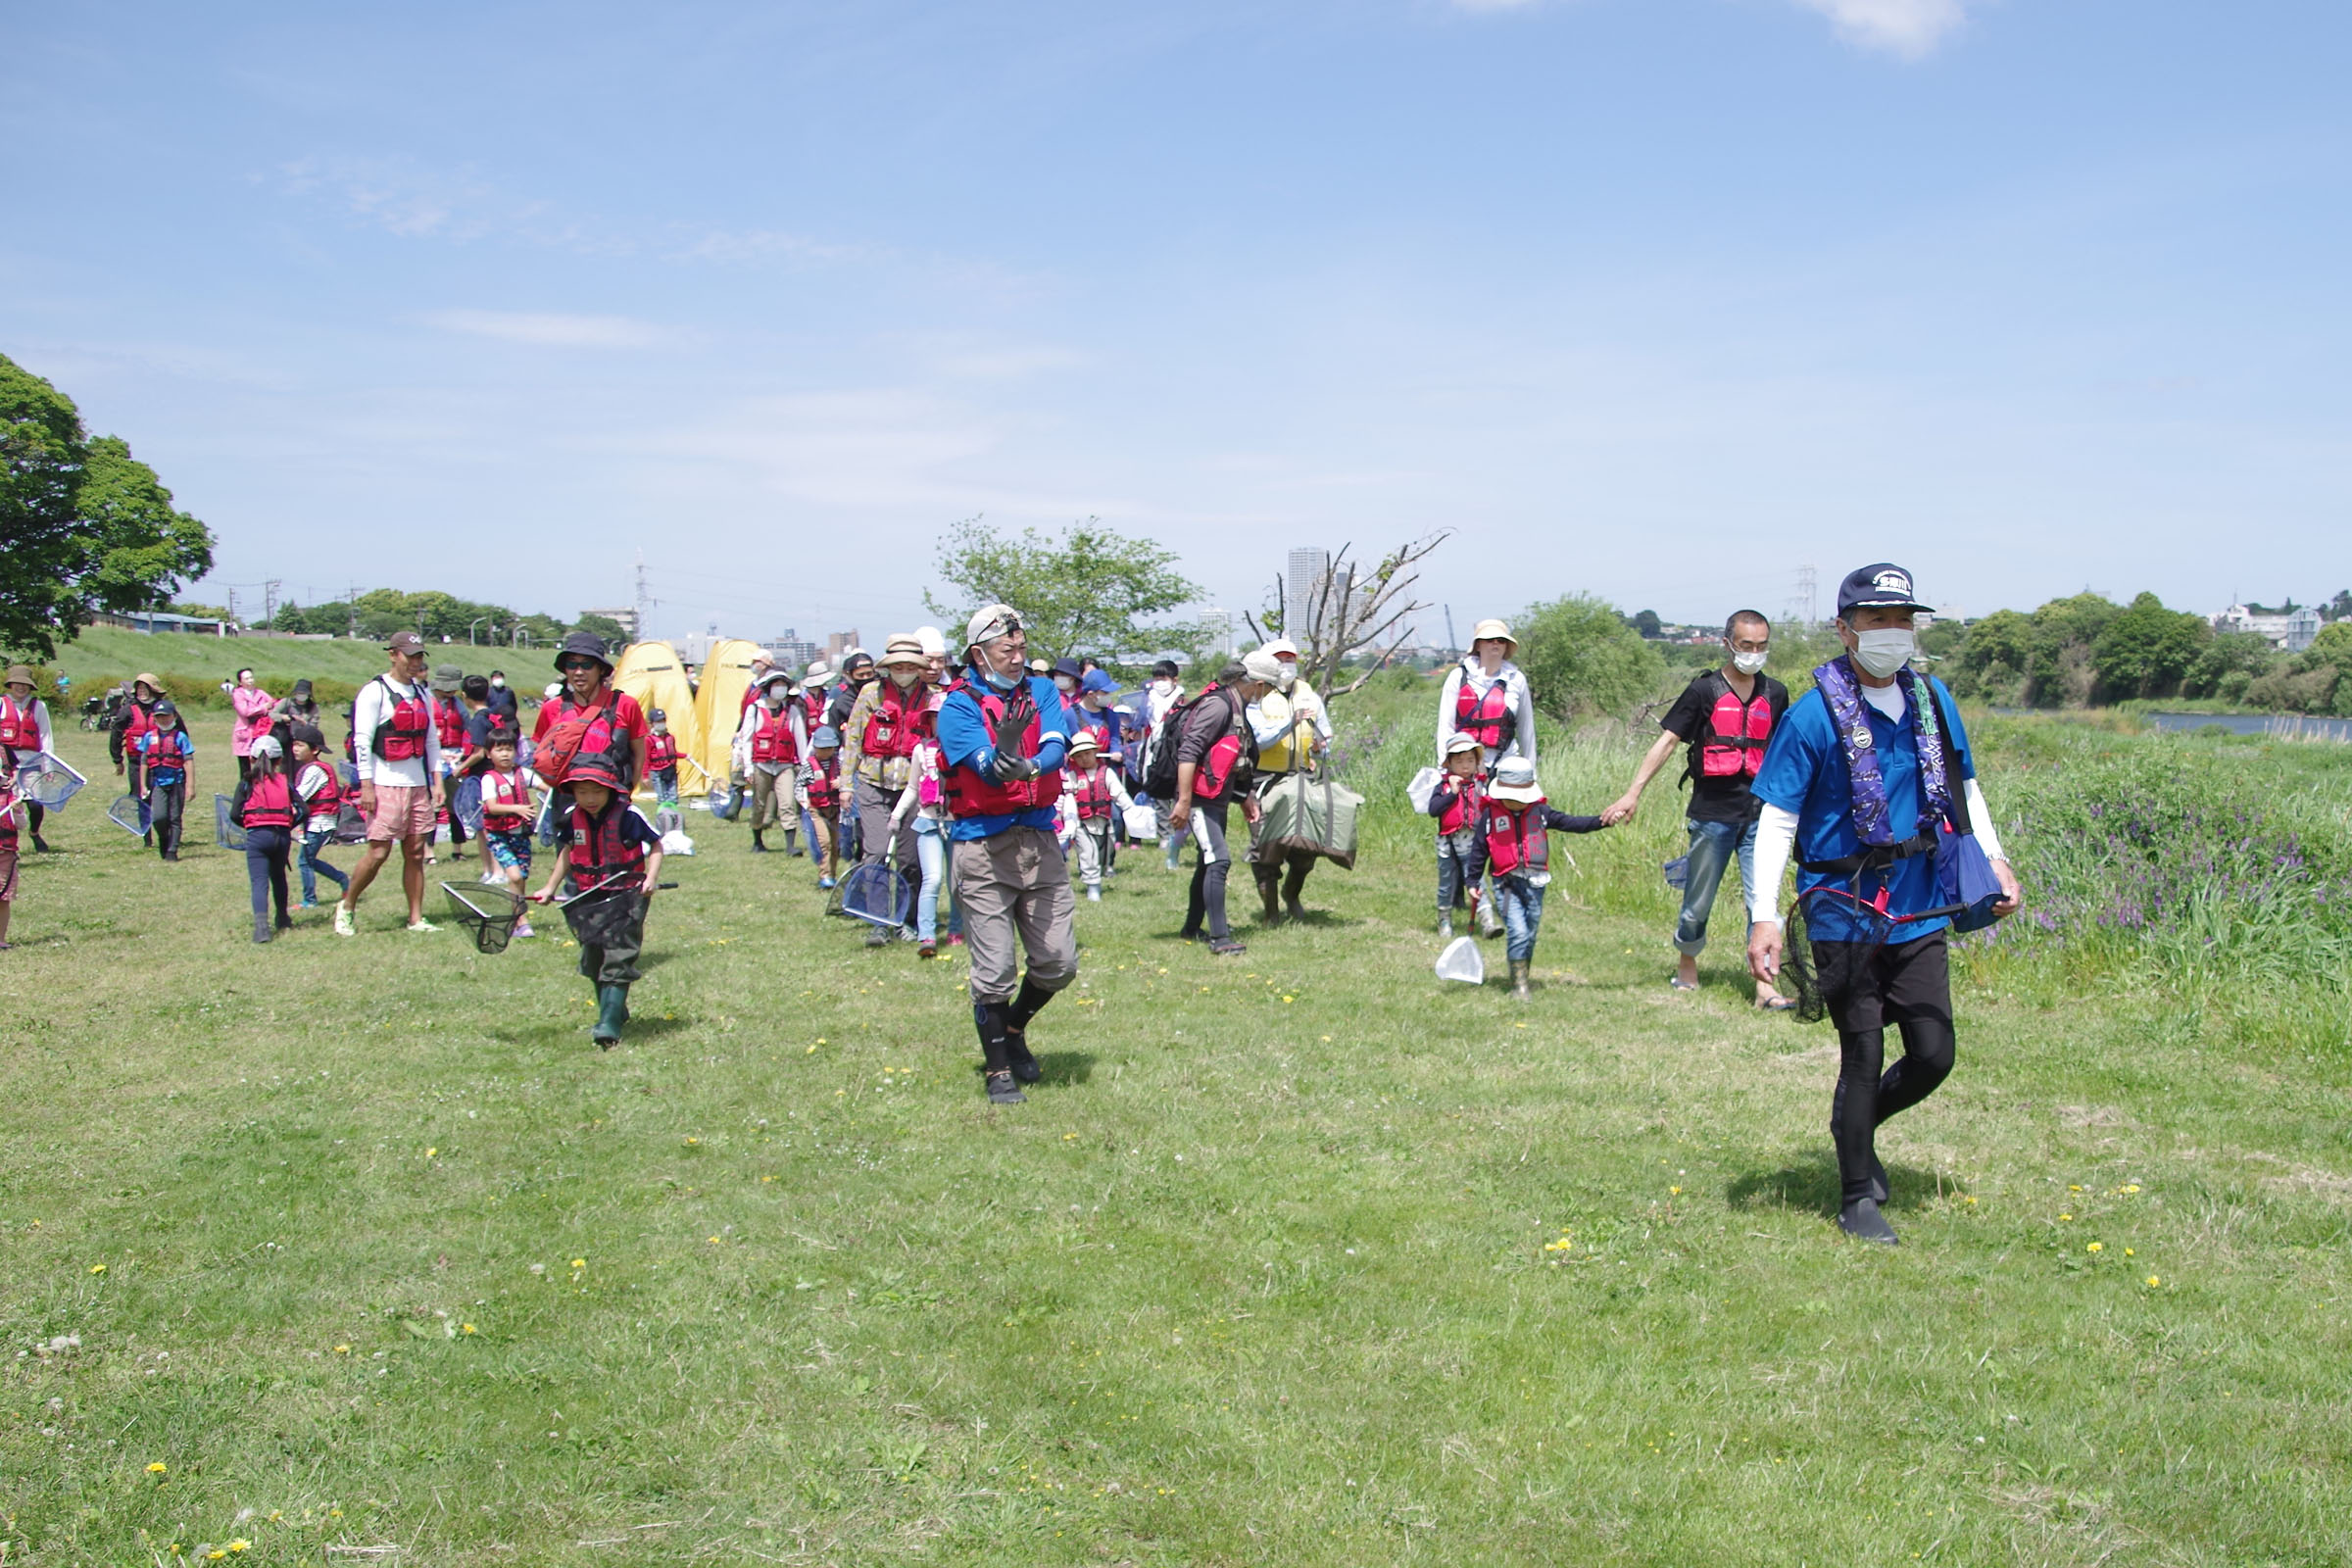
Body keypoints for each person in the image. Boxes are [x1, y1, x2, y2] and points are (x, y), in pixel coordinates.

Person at [1745, 564, 2023, 1246]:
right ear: (1845, 629)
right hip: (1842, 907)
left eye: (1902, 620)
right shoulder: (1812, 714)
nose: (1892, 633)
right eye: (1876, 620)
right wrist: (1765, 914)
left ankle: (1855, 1129)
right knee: (1862, 1054)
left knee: (1934, 1052)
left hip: (1920, 903)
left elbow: (1966, 787)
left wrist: (1994, 857)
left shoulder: (1932, 699)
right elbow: (1777, 818)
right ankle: (1854, 1198)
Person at [1602, 611, 1792, 1006]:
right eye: (1746, 646)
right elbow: (1668, 742)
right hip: (1712, 813)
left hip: (1761, 815)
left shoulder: (1776, 693)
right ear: (1728, 644)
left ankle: (1764, 985)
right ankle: (1687, 961)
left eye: (1761, 647)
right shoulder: (1704, 690)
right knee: (1698, 899)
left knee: (1764, 902)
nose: (1754, 654)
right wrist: (1632, 792)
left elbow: (1785, 754)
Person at [936, 604, 1077, 1103]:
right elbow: (986, 769)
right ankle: (998, 1071)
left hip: (1039, 840)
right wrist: (1006, 751)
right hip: (982, 846)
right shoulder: (957, 707)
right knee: (994, 969)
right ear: (979, 654)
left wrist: (1031, 764)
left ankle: (1014, 1030)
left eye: (1021, 649)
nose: (1017, 658)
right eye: (1005, 650)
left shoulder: (1040, 690)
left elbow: (1059, 743)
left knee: (1059, 962)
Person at [530, 754, 662, 1049]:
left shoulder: (629, 816)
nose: (589, 798)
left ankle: (609, 1025)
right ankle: (614, 1007)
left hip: (626, 897)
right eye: (582, 792)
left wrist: (650, 878)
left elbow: (655, 845)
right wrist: (550, 886)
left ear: (610, 789)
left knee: (619, 955)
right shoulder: (571, 818)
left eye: (596, 791)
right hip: (587, 897)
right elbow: (567, 852)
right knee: (592, 959)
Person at [1168, 655, 1277, 956]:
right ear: (1257, 684)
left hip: (1216, 798)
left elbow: (1235, 758)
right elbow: (1189, 752)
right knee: (1219, 860)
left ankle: (1191, 928)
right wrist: (1185, 801)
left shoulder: (1236, 705)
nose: (1266, 696)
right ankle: (1221, 938)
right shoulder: (1218, 705)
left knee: (1208, 861)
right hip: (1200, 799)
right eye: (1267, 689)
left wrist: (1244, 798)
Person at [339, 631, 444, 935]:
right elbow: (362, 741)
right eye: (410, 655)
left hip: (417, 784)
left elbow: (432, 742)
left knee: (415, 851)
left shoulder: (423, 694)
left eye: (420, 656)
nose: (415, 662)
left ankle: (415, 917)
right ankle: (347, 906)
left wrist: (436, 781)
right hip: (385, 781)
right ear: (393, 655)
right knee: (378, 853)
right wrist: (366, 784)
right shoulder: (375, 692)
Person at [1481, 756, 1610, 1001]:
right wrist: (1472, 883)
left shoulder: (1541, 813)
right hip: (1505, 885)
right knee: (1517, 931)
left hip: (1535, 886)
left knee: (1530, 934)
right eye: (1511, 797)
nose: (1516, 803)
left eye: (1521, 798)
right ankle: (1519, 987)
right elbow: (1479, 851)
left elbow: (1573, 823)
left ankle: (1522, 974)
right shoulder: (1490, 817)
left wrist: (1601, 821)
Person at [842, 636, 931, 946]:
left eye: (910, 665)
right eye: (898, 666)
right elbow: (852, 739)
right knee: (876, 853)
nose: (904, 670)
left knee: (911, 859)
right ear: (888, 667)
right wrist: (845, 784)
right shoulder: (871, 694)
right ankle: (879, 921)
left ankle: (909, 920)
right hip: (872, 784)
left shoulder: (932, 698)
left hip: (914, 789)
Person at [1246, 637, 1334, 925]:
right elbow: (1259, 738)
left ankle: (1292, 894)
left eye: (1290, 659)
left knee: (1306, 847)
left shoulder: (1309, 695)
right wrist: (1290, 723)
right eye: (1279, 659)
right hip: (1264, 780)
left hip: (1301, 778)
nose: (1286, 664)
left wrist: (1322, 747)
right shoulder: (1255, 696)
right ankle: (1271, 913)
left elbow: (1326, 736)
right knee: (1266, 848)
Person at [533, 632, 649, 790]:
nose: (579, 672)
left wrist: (626, 793)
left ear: (601, 669)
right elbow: (542, 754)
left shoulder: (626, 705)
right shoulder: (551, 708)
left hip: (613, 798)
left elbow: (639, 754)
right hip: (567, 801)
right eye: (572, 665)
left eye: (587, 665)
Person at [891, 706, 957, 955]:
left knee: (956, 882)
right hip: (928, 822)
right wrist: (896, 816)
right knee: (933, 879)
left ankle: (956, 929)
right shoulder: (921, 750)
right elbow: (912, 788)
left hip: (957, 823)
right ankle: (926, 935)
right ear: (930, 720)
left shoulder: (964, 747)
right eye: (936, 717)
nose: (942, 722)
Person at [1436, 619, 1538, 770]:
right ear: (1478, 645)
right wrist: (1444, 769)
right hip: (1465, 767)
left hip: (1506, 764)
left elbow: (1526, 729)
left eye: (1501, 641)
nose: (1495, 644)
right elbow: (1446, 727)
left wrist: (1531, 771)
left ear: (1506, 646)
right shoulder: (1458, 677)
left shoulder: (1516, 679)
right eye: (1489, 640)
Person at [229, 735, 297, 943]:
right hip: (281, 836)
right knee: (279, 877)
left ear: (251, 759)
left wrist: (249, 825)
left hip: (257, 837)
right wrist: (288, 825)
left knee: (259, 881)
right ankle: (283, 918)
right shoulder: (286, 782)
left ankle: (261, 928)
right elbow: (302, 810)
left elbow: (234, 814)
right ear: (279, 760)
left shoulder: (246, 783)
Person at [476, 725, 541, 940]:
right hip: (499, 837)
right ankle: (521, 920)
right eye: (499, 749)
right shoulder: (489, 779)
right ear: (488, 753)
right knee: (513, 875)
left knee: (521, 878)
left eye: (509, 749)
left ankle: (515, 920)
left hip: (521, 835)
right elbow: (492, 806)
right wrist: (517, 808)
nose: (505, 754)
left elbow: (546, 786)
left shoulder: (524, 774)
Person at [733, 671, 806, 855]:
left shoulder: (792, 711)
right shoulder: (755, 710)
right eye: (776, 684)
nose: (780, 688)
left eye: (783, 685)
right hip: (761, 765)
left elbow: (800, 739)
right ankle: (757, 841)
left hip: (784, 765)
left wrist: (805, 766)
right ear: (768, 688)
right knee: (759, 804)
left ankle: (790, 845)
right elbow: (747, 738)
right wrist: (748, 767)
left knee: (787, 803)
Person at [1056, 729, 1132, 903]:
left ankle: (1107, 869)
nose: (1084, 758)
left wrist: (1130, 810)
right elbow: (1068, 801)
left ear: (1096, 752)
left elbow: (1119, 793)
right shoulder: (1072, 777)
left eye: (1088, 753)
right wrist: (1070, 824)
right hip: (1082, 823)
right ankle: (1093, 887)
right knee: (1087, 853)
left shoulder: (1106, 773)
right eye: (1079, 755)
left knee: (1107, 852)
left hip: (1104, 821)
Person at [1426, 733, 1487, 939]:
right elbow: (1433, 810)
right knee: (1446, 884)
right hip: (1447, 844)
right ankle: (1444, 920)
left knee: (1477, 881)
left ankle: (1487, 920)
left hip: (1473, 843)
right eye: (1459, 761)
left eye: (1470, 760)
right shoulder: (1442, 787)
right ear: (1449, 763)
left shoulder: (1481, 786)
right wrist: (1452, 794)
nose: (1465, 766)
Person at [288, 724, 350, 909]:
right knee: (310, 860)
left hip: (320, 823)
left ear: (314, 749)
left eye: (300, 745)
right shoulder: (310, 768)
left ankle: (310, 900)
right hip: (317, 822)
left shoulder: (315, 770)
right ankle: (343, 880)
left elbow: (299, 797)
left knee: (304, 861)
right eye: (294, 744)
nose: (295, 749)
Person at [0, 666, 56, 853]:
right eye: (17, 684)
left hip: (31, 760)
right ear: (11, 684)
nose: (21, 688)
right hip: (5, 762)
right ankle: (8, 842)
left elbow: (46, 737)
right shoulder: (1, 704)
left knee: (35, 803)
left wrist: (47, 765)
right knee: (7, 803)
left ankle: (34, 832)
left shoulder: (39, 706)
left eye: (25, 685)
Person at [138, 699, 195, 861]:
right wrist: (142, 784)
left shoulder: (180, 737)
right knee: (159, 817)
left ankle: (172, 850)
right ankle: (164, 838)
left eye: (167, 716)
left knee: (175, 817)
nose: (164, 720)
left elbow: (188, 761)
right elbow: (144, 762)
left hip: (177, 782)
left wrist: (190, 786)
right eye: (160, 717)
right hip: (158, 783)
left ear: (174, 716)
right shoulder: (149, 737)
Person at [112, 672, 165, 844]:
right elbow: (116, 733)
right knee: (141, 797)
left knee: (161, 797)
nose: (142, 692)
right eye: (139, 688)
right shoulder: (128, 710)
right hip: (136, 762)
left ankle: (165, 833)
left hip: (160, 762)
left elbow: (179, 732)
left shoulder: (163, 708)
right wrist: (117, 759)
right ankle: (146, 837)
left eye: (146, 688)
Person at [799, 726, 844, 890]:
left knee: (835, 844)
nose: (825, 752)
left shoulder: (838, 763)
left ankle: (832, 874)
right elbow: (799, 785)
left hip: (834, 809)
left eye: (829, 749)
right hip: (816, 809)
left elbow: (848, 778)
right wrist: (803, 803)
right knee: (824, 842)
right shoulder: (808, 765)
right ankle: (824, 874)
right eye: (822, 749)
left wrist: (842, 782)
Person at [230, 668, 275, 784]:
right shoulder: (237, 694)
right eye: (247, 678)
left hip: (260, 731)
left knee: (262, 763)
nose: (250, 681)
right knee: (245, 767)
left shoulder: (260, 693)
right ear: (240, 682)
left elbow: (273, 703)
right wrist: (263, 707)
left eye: (251, 677)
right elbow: (245, 712)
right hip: (244, 733)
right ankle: (245, 792)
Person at [268, 678, 321, 762]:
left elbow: (314, 726)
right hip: (285, 738)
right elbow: (272, 714)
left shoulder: (313, 707)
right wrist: (283, 717)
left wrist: (303, 722)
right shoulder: (286, 702)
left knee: (299, 764)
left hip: (301, 740)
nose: (301, 695)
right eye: (299, 693)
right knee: (284, 764)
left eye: (303, 693)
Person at [644, 708, 682, 816]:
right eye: (658, 721)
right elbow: (646, 758)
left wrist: (685, 756)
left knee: (673, 796)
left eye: (663, 721)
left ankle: (674, 817)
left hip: (670, 770)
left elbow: (673, 753)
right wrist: (645, 775)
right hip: (657, 772)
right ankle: (664, 818)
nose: (661, 724)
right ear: (652, 724)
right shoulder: (649, 740)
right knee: (662, 798)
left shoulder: (670, 737)